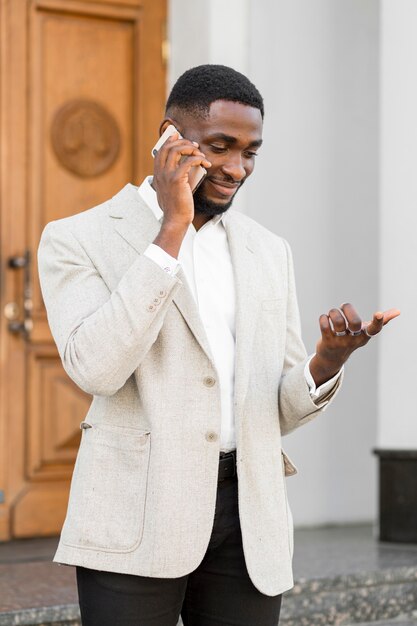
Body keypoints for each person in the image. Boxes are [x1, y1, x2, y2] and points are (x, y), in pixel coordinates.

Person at [38, 65, 399, 626]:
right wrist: (171, 231)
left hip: (247, 518)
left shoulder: (267, 250)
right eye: (219, 147)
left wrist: (327, 360)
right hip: (136, 512)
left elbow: (276, 407)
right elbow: (96, 369)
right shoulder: (77, 238)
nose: (236, 168)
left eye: (251, 151)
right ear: (169, 138)